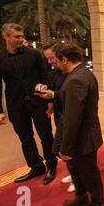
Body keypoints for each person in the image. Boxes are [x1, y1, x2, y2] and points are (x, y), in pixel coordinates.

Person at [38, 42, 104, 206]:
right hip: (83, 134)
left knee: (89, 173)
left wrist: (65, 148)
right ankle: (82, 199)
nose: (55, 65)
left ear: (65, 60)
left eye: (57, 61)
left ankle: (97, 203)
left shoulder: (76, 79)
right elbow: (73, 98)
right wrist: (54, 95)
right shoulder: (82, 73)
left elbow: (73, 119)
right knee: (77, 170)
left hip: (83, 137)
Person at [0, 23, 57, 185]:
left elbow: (45, 77)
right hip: (16, 106)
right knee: (25, 139)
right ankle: (36, 166)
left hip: (38, 102)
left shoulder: (34, 54)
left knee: (46, 135)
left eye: (22, 36)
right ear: (6, 36)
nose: (21, 39)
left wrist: (50, 101)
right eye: (17, 37)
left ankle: (51, 165)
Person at [39, 41, 74, 192]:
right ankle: (74, 174)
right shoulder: (57, 70)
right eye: (47, 59)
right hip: (59, 112)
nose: (50, 62)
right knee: (62, 147)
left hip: (69, 113)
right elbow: (56, 87)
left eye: (52, 58)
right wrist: (43, 88)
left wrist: (53, 94)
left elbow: (69, 93)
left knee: (64, 147)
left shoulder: (71, 72)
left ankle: (78, 177)